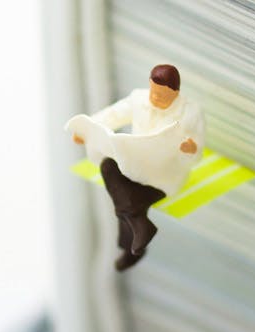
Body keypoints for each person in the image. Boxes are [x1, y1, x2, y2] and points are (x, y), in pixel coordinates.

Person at [68, 64, 205, 270]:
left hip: (161, 178)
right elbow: (113, 114)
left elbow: (197, 148)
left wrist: (189, 147)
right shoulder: (138, 99)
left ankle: (132, 246)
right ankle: (138, 226)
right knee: (108, 166)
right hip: (131, 166)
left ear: (175, 93)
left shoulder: (190, 113)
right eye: (153, 92)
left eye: (162, 95)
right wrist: (86, 130)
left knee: (127, 204)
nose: (155, 98)